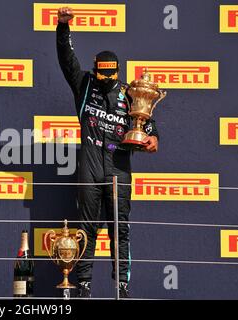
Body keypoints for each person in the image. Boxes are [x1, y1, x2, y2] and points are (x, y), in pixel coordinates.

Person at [56, 7, 160, 298]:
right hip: (90, 167)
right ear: (95, 68)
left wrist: (152, 141)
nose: (104, 80)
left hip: (119, 169)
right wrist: (63, 28)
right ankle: (84, 286)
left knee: (120, 230)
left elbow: (149, 128)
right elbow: (67, 60)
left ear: (117, 72)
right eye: (100, 74)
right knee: (86, 229)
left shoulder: (130, 94)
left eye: (109, 75)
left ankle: (122, 286)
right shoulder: (85, 85)